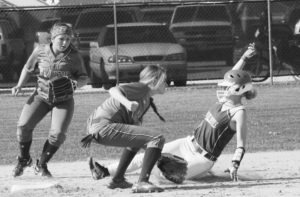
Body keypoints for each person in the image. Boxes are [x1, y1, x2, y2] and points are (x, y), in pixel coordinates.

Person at [87, 44, 257, 183]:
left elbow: (241, 144)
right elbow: (232, 76)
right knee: (145, 156)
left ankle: (205, 175)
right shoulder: (223, 102)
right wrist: (243, 58)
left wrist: (235, 164)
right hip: (187, 144)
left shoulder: (238, 112)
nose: (224, 88)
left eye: (228, 87)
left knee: (166, 177)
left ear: (238, 90)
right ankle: (105, 171)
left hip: (203, 158)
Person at [11, 22, 88, 178]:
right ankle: (24, 159)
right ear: (52, 38)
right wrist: (19, 85)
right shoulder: (40, 50)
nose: (65, 42)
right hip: (41, 96)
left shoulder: (74, 56)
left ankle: (41, 164)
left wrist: (76, 82)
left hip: (63, 100)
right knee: (23, 126)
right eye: (61, 39)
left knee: (58, 134)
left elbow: (84, 77)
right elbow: (28, 67)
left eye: (68, 39)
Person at [80, 65, 167, 193]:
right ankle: (142, 182)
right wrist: (127, 103)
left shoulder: (146, 99)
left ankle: (118, 179)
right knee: (157, 137)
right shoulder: (142, 88)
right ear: (153, 81)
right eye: (164, 80)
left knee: (139, 141)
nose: (167, 83)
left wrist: (159, 156)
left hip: (99, 128)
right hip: (104, 126)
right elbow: (113, 90)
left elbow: (138, 132)